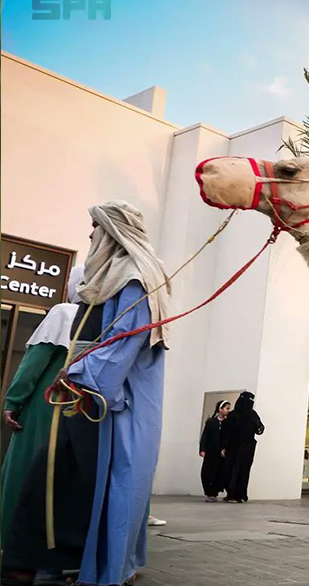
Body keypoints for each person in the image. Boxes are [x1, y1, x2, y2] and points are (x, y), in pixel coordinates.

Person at [4, 202, 171, 586]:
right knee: (52, 475)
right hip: (83, 394)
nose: (90, 234)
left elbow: (125, 345)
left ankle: (76, 562)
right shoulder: (108, 278)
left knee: (84, 480)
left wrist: (79, 373)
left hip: (108, 402)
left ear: (112, 230)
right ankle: (34, 560)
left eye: (95, 227)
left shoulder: (135, 278)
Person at [1, 266, 82, 543]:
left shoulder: (63, 313)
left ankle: (12, 538)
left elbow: (33, 364)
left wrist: (13, 401)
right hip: (81, 411)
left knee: (24, 472)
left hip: (45, 407)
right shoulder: (105, 319)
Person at [222, 391, 265, 503]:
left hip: (244, 447)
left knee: (241, 470)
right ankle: (234, 494)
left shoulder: (251, 415)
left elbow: (260, 428)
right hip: (235, 447)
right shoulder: (234, 415)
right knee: (233, 470)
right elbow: (226, 432)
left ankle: (239, 494)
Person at [199, 400, 231, 501]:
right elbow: (205, 436)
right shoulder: (211, 422)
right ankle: (208, 492)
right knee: (206, 472)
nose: (228, 411)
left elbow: (228, 437)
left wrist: (225, 449)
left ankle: (214, 493)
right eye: (227, 408)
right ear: (220, 409)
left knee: (217, 472)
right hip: (210, 451)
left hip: (220, 453)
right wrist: (202, 449)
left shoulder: (227, 423)